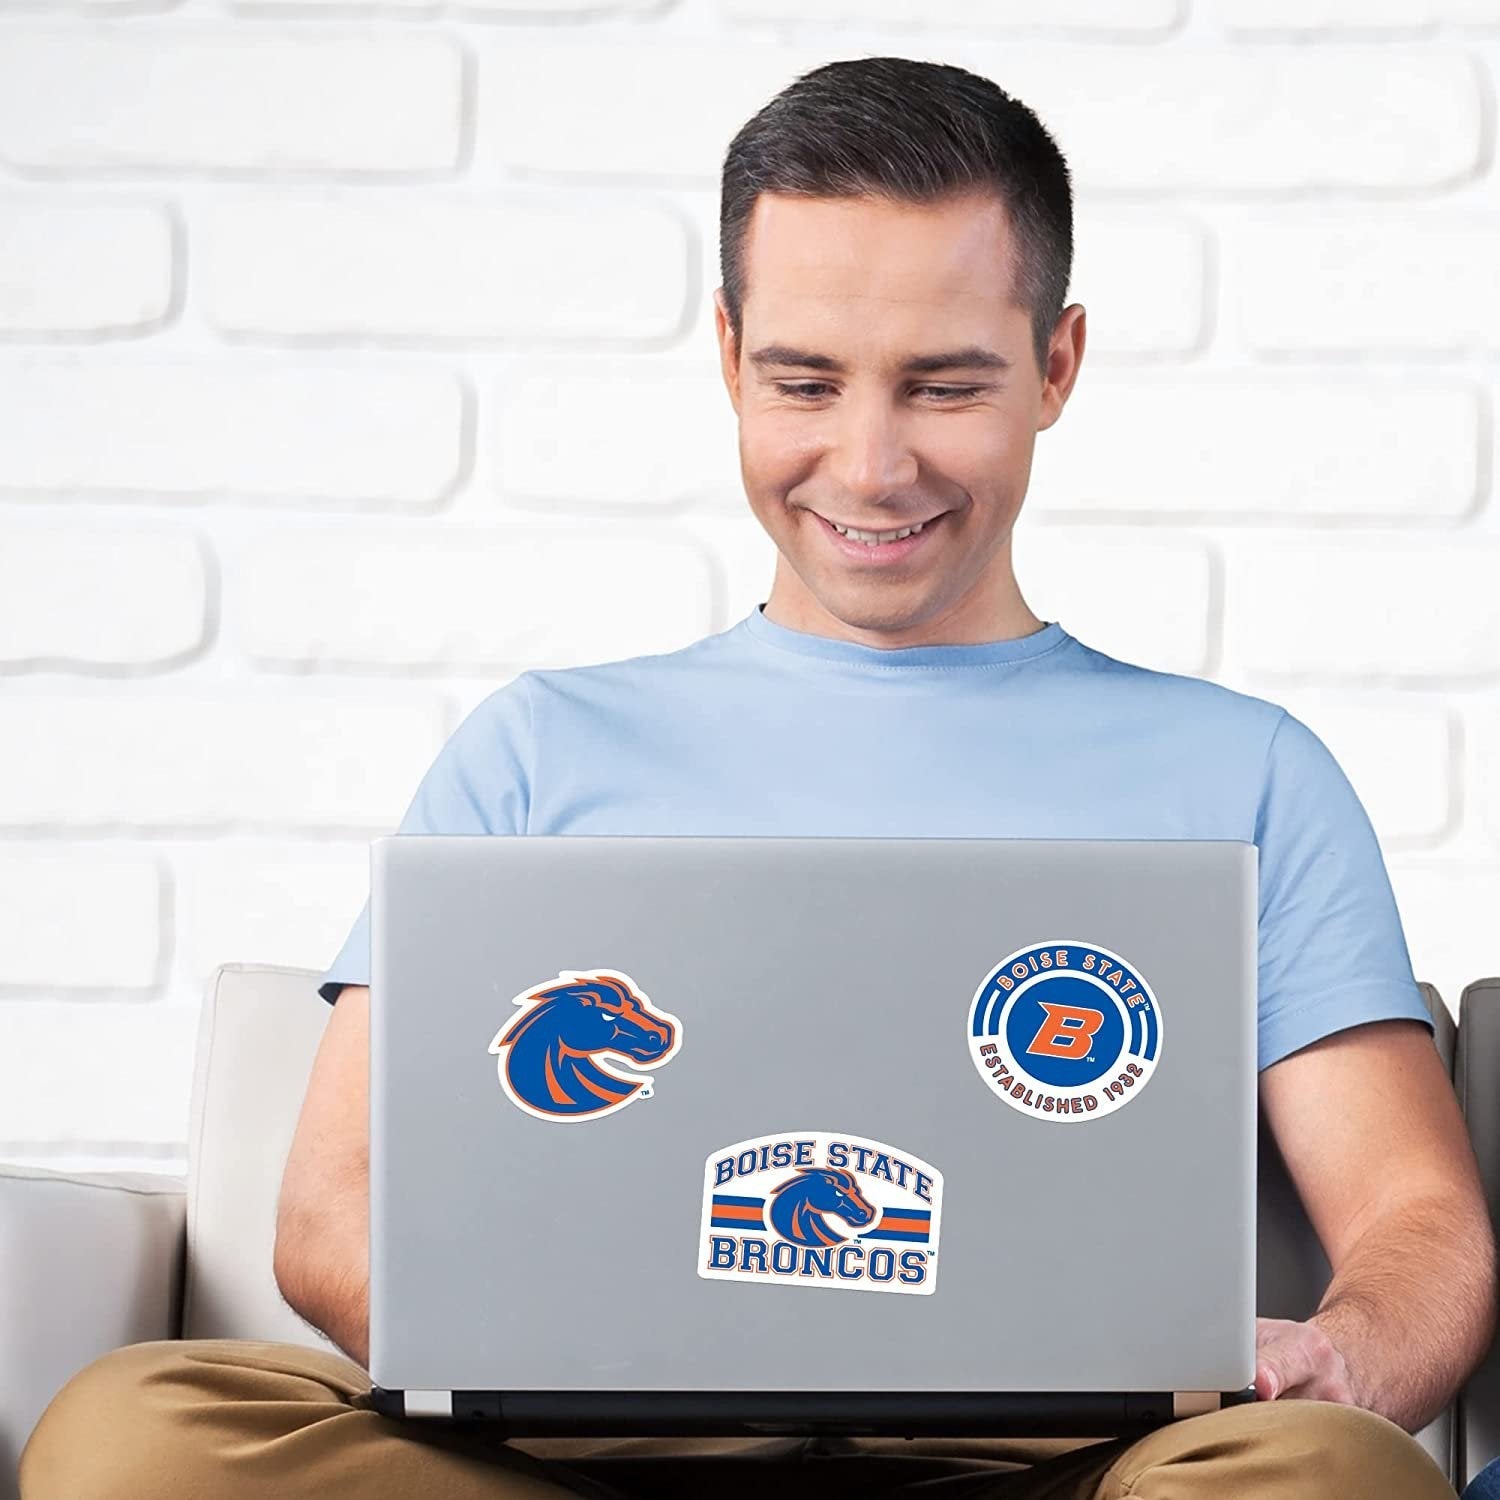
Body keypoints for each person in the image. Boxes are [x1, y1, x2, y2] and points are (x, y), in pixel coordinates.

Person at [18, 54, 1495, 1500]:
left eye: (942, 386)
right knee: (141, 1431)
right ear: (727, 355)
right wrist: (585, 1351)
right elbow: (328, 1212)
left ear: (1056, 367)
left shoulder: (1246, 775)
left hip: (1069, 1471)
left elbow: (1419, 1220)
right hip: (583, 1460)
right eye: (804, 380)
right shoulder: (541, 752)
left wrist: (1345, 1361)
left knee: (1313, 1475)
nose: (867, 465)